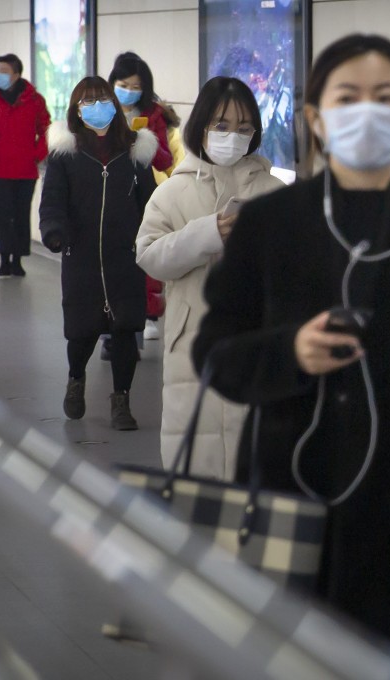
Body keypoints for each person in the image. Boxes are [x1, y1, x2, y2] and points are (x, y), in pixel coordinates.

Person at [191, 34, 390, 671]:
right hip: (279, 488)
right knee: (281, 660)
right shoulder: (271, 223)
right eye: (347, 97)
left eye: (387, 98)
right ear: (315, 119)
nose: (368, 111)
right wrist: (289, 353)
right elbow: (216, 351)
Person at [136, 76, 285, 480]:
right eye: (221, 125)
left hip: (258, 341)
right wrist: (208, 233)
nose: (231, 136)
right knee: (193, 463)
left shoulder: (275, 193)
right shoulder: (172, 192)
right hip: (191, 342)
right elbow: (149, 256)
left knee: (255, 463)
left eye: (242, 128)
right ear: (201, 125)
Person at [39, 76, 157, 430]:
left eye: (101, 99)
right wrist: (55, 232)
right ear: (76, 109)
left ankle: (121, 400)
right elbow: (53, 200)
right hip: (82, 255)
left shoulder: (135, 150)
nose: (97, 106)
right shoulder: (66, 152)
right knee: (81, 331)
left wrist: (152, 236)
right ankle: (76, 379)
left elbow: (151, 202)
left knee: (125, 329)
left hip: (125, 255)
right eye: (87, 101)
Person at [108, 52, 180, 344]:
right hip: (106, 193)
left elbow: (164, 160)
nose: (127, 91)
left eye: (135, 86)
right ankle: (110, 324)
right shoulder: (98, 108)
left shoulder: (154, 115)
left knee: (141, 256)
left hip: (141, 194)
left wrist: (145, 140)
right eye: (123, 84)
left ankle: (144, 315)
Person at [0, 53, 51, 278]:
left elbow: (47, 129)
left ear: (17, 74)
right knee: (2, 214)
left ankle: (18, 259)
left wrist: (36, 156)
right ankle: (4, 259)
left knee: (20, 214)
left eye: (4, 71)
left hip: (25, 170)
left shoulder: (34, 100)